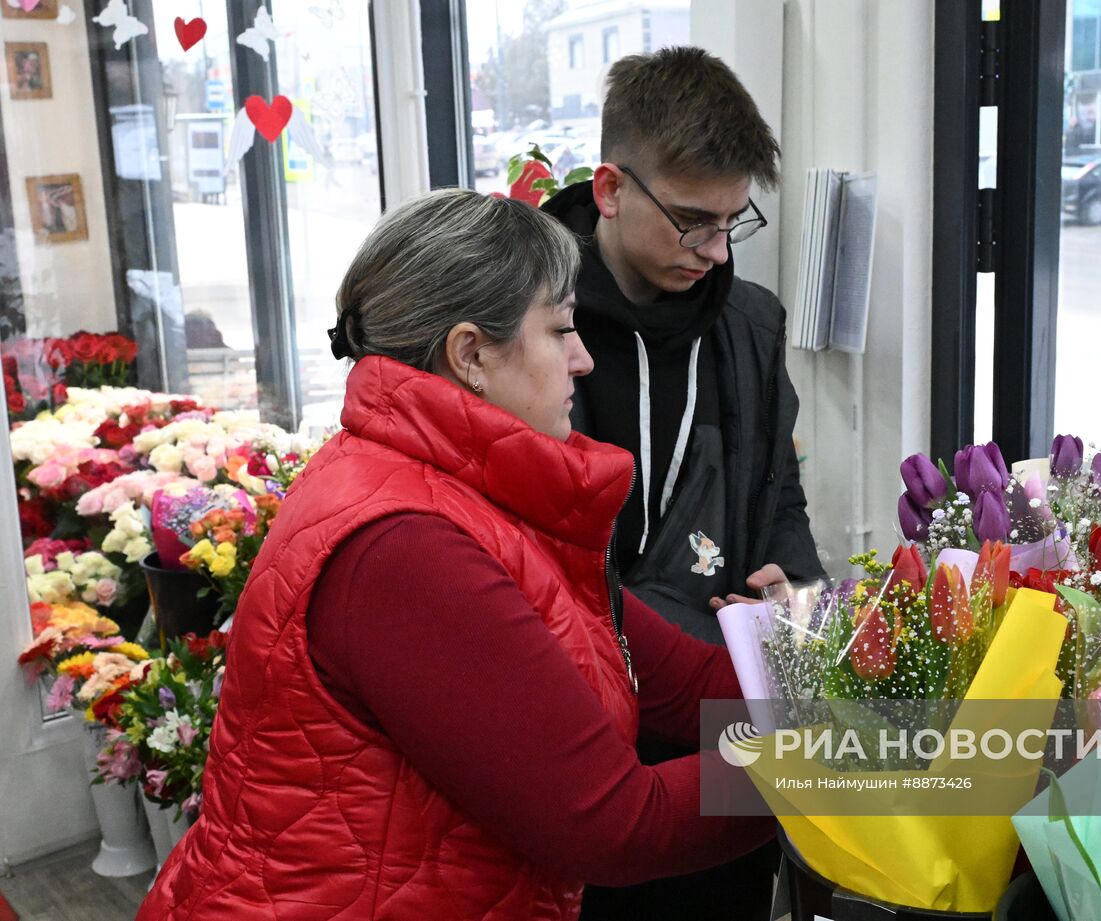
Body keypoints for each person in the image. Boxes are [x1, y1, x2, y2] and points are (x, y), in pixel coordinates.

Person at [135, 189, 773, 921]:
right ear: (469, 353)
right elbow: (612, 821)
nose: (584, 358)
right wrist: (834, 767)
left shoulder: (472, 490)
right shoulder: (404, 547)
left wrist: (871, 704)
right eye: (562, 328)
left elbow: (681, 679)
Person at [541, 45, 822, 921]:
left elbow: (780, 488)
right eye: (692, 220)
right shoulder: (529, 326)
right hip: (583, 708)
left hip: (721, 697)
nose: (712, 249)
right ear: (611, 188)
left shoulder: (752, 321)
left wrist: (792, 586)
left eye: (733, 222)